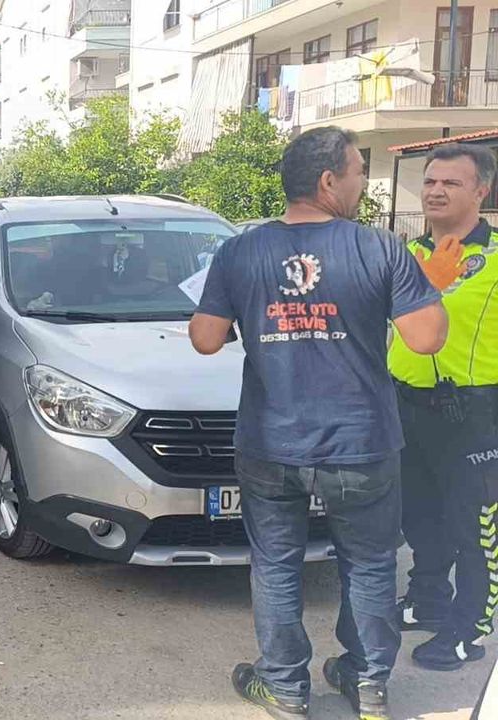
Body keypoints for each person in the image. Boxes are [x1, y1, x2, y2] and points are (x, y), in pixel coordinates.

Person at [188, 126, 449, 720]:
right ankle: (368, 683)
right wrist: (427, 287)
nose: (362, 184)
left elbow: (205, 338)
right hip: (361, 442)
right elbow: (427, 338)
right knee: (371, 563)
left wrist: (254, 315)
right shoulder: (380, 248)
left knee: (276, 564)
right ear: (329, 181)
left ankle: (283, 686)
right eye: (359, 173)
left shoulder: (240, 251)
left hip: (272, 443)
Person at [390, 143, 498, 672]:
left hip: (474, 414)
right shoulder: (404, 255)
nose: (435, 191)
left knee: (475, 529)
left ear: (481, 191)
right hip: (404, 406)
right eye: (430, 181)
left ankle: (469, 628)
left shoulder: (496, 257)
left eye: (451, 183)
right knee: (420, 519)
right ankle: (427, 600)